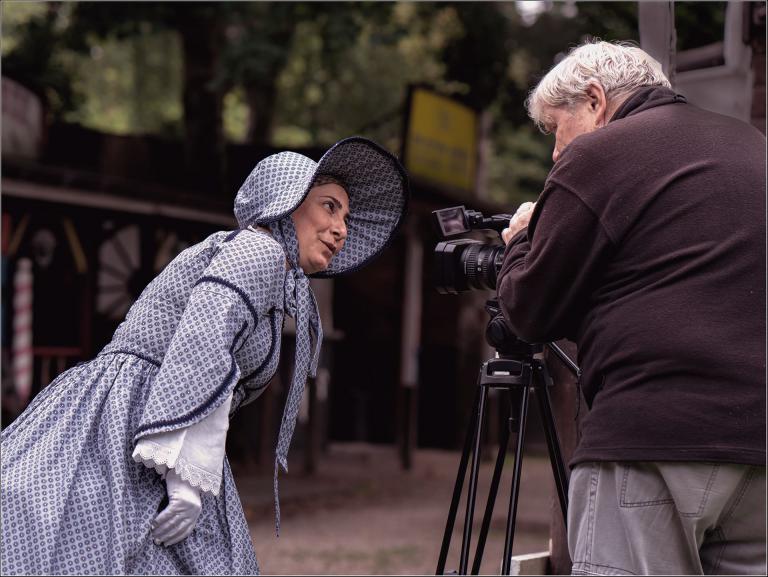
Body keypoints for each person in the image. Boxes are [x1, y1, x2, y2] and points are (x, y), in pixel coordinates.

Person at [1, 136, 409, 575]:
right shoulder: (259, 250)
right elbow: (204, 342)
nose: (341, 228)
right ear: (286, 203)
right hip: (138, 423)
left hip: (160, 424)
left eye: (345, 216)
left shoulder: (269, 266)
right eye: (330, 206)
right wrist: (184, 481)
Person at [496, 40, 766, 575]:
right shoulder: (754, 145)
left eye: (555, 129)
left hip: (653, 439)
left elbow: (529, 312)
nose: (555, 153)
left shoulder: (601, 153)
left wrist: (523, 240)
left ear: (594, 100)